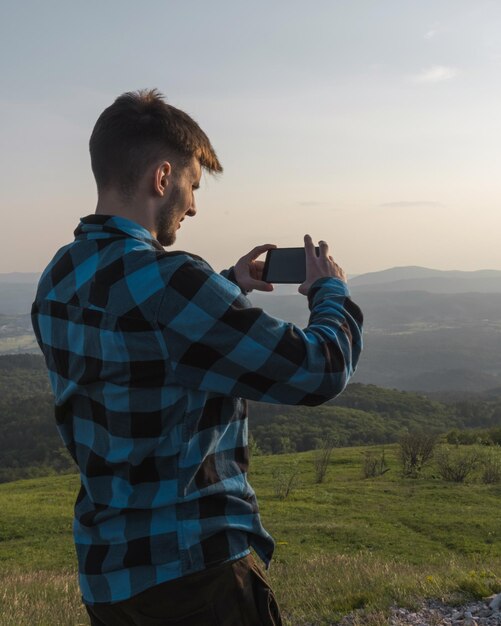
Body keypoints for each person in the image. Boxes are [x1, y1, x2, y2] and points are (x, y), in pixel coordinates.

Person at [31, 89, 363, 626]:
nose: (193, 205)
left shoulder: (58, 277)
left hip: (109, 580)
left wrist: (227, 285)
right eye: (192, 185)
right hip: (195, 578)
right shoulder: (174, 284)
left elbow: (139, 340)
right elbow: (321, 368)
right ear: (162, 178)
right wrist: (331, 294)